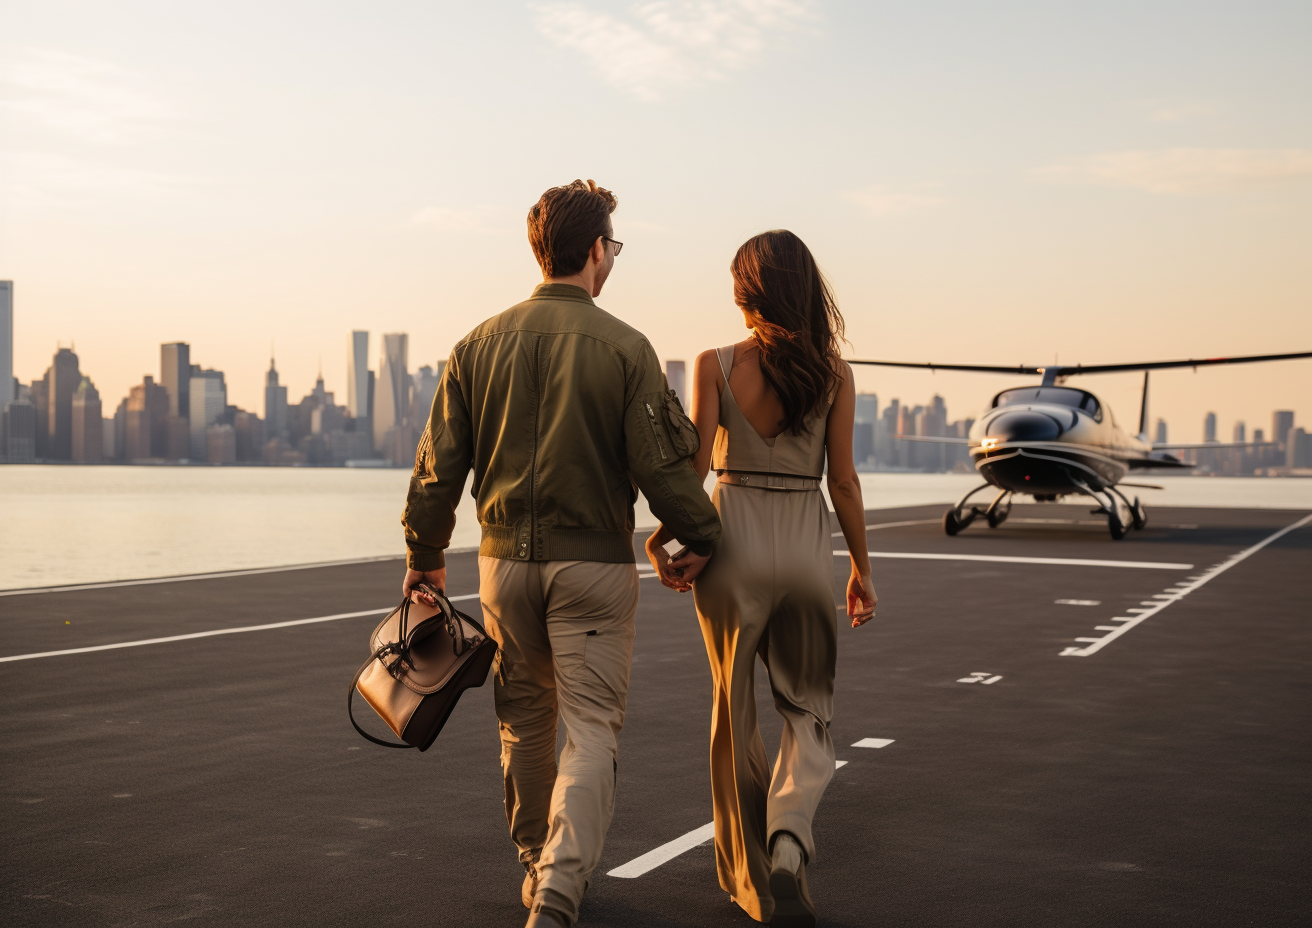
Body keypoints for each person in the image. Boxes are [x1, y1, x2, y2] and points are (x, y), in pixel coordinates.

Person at [401, 179, 722, 928]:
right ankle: (559, 889)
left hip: (501, 565)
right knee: (591, 727)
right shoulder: (626, 347)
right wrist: (698, 538)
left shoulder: (476, 344)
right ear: (591, 251)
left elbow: (436, 465)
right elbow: (664, 470)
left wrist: (424, 553)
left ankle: (533, 865)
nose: (611, 258)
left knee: (524, 723)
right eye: (612, 246)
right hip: (594, 569)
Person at [645, 230, 878, 928]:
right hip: (806, 543)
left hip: (731, 542)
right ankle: (789, 838)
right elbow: (843, 479)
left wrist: (662, 539)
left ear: (748, 290)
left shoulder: (714, 364)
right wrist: (862, 568)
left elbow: (692, 474)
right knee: (807, 709)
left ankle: (750, 883)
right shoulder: (836, 374)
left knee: (733, 711)